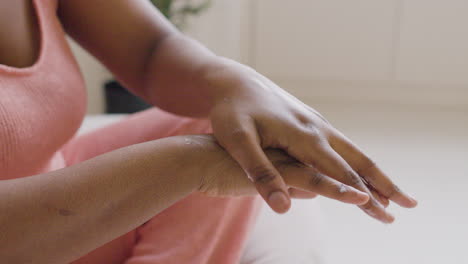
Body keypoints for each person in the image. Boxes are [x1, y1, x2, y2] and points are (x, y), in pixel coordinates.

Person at [0, 0, 418, 263]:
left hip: (53, 186)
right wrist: (188, 164)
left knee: (232, 134)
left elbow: (151, 51)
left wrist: (236, 83)